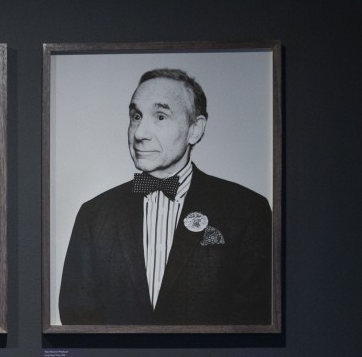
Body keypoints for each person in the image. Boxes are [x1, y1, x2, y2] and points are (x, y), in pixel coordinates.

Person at [58, 68, 272, 326]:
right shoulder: (94, 214)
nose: (139, 133)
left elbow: (255, 319)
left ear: (195, 129)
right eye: (136, 116)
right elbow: (76, 316)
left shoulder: (247, 211)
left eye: (160, 116)